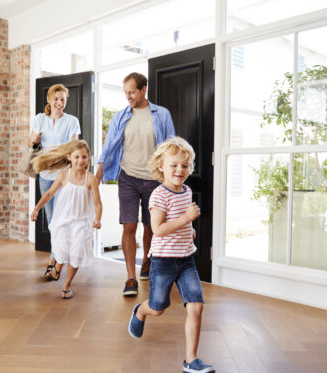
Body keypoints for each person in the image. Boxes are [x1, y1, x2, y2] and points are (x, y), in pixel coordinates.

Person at [128, 137, 215, 373]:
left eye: (184, 166)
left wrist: (189, 230)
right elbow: (158, 229)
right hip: (164, 262)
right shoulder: (159, 195)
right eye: (174, 165)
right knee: (158, 308)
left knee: (196, 306)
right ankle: (140, 311)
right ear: (161, 167)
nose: (180, 170)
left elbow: (178, 222)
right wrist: (186, 219)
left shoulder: (186, 191)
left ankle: (191, 360)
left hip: (186, 260)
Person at [96, 72, 175, 296]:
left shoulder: (161, 114)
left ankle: (147, 261)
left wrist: (171, 176)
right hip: (128, 177)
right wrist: (100, 169)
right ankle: (131, 277)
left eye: (132, 92)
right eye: (126, 93)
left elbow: (171, 145)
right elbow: (110, 144)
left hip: (154, 179)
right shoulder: (120, 116)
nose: (128, 96)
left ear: (143, 90)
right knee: (129, 225)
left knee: (151, 226)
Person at [30, 140, 102, 299]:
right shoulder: (63, 176)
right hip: (63, 219)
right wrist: (36, 209)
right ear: (69, 157)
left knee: (76, 253)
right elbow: (49, 194)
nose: (80, 161)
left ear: (88, 157)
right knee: (61, 247)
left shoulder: (90, 179)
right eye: (76, 157)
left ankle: (67, 285)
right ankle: (57, 267)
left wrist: (97, 219)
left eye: (84, 157)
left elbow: (97, 202)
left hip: (82, 222)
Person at [29, 84, 81, 281]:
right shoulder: (39, 119)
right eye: (57, 99)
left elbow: (74, 147)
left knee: (60, 220)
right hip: (44, 175)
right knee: (52, 221)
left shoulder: (72, 121)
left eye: (63, 100)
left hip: (63, 177)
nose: (60, 103)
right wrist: (34, 139)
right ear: (49, 99)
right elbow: (31, 144)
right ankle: (57, 256)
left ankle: (54, 261)